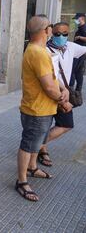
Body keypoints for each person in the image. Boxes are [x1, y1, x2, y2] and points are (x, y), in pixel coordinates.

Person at [15, 16, 71, 202]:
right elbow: (48, 86)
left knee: (36, 143)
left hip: (44, 108)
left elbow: (52, 79)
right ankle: (21, 181)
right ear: (44, 30)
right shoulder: (37, 53)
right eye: (51, 27)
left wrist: (63, 89)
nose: (52, 31)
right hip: (36, 110)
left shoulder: (40, 50)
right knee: (28, 144)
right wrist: (63, 101)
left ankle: (32, 167)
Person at [38, 22, 86, 167]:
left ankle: (38, 145)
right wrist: (62, 100)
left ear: (68, 33)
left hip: (64, 92)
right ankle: (40, 150)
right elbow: (47, 79)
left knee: (66, 124)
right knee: (45, 124)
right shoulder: (44, 50)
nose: (61, 36)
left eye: (64, 34)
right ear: (52, 33)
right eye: (57, 34)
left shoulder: (71, 47)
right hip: (48, 93)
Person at [71, 13, 86, 92]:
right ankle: (78, 89)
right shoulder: (80, 27)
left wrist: (79, 37)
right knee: (79, 71)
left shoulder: (84, 28)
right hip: (79, 52)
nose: (76, 20)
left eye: (77, 18)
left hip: (80, 53)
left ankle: (71, 87)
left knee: (72, 70)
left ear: (82, 18)